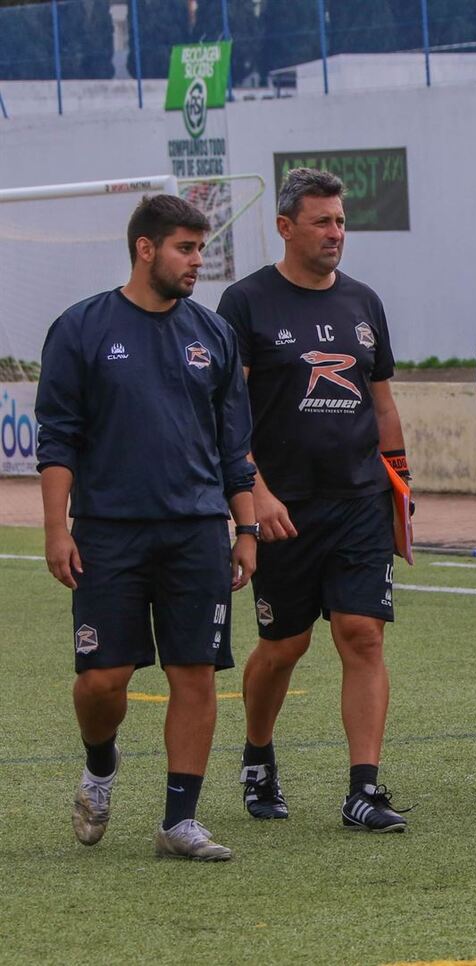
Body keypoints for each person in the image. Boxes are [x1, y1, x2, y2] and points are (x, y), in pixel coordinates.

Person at [36, 194, 257, 861]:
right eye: (185, 249)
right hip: (108, 532)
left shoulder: (213, 335)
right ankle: (100, 766)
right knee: (104, 680)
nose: (197, 262)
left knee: (195, 672)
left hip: (195, 531)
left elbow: (233, 446)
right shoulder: (81, 328)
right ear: (145, 248)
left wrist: (244, 529)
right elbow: (58, 439)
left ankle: (179, 822)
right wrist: (56, 528)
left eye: (200, 249)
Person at [217, 168, 413, 831]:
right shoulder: (245, 304)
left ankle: (363, 789)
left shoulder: (364, 302)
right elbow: (228, 415)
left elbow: (382, 402)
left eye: (340, 221)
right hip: (282, 510)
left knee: (362, 636)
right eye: (322, 221)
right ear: (285, 227)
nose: (336, 233)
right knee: (284, 646)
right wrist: (255, 493)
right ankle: (258, 752)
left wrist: (399, 487)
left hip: (358, 500)